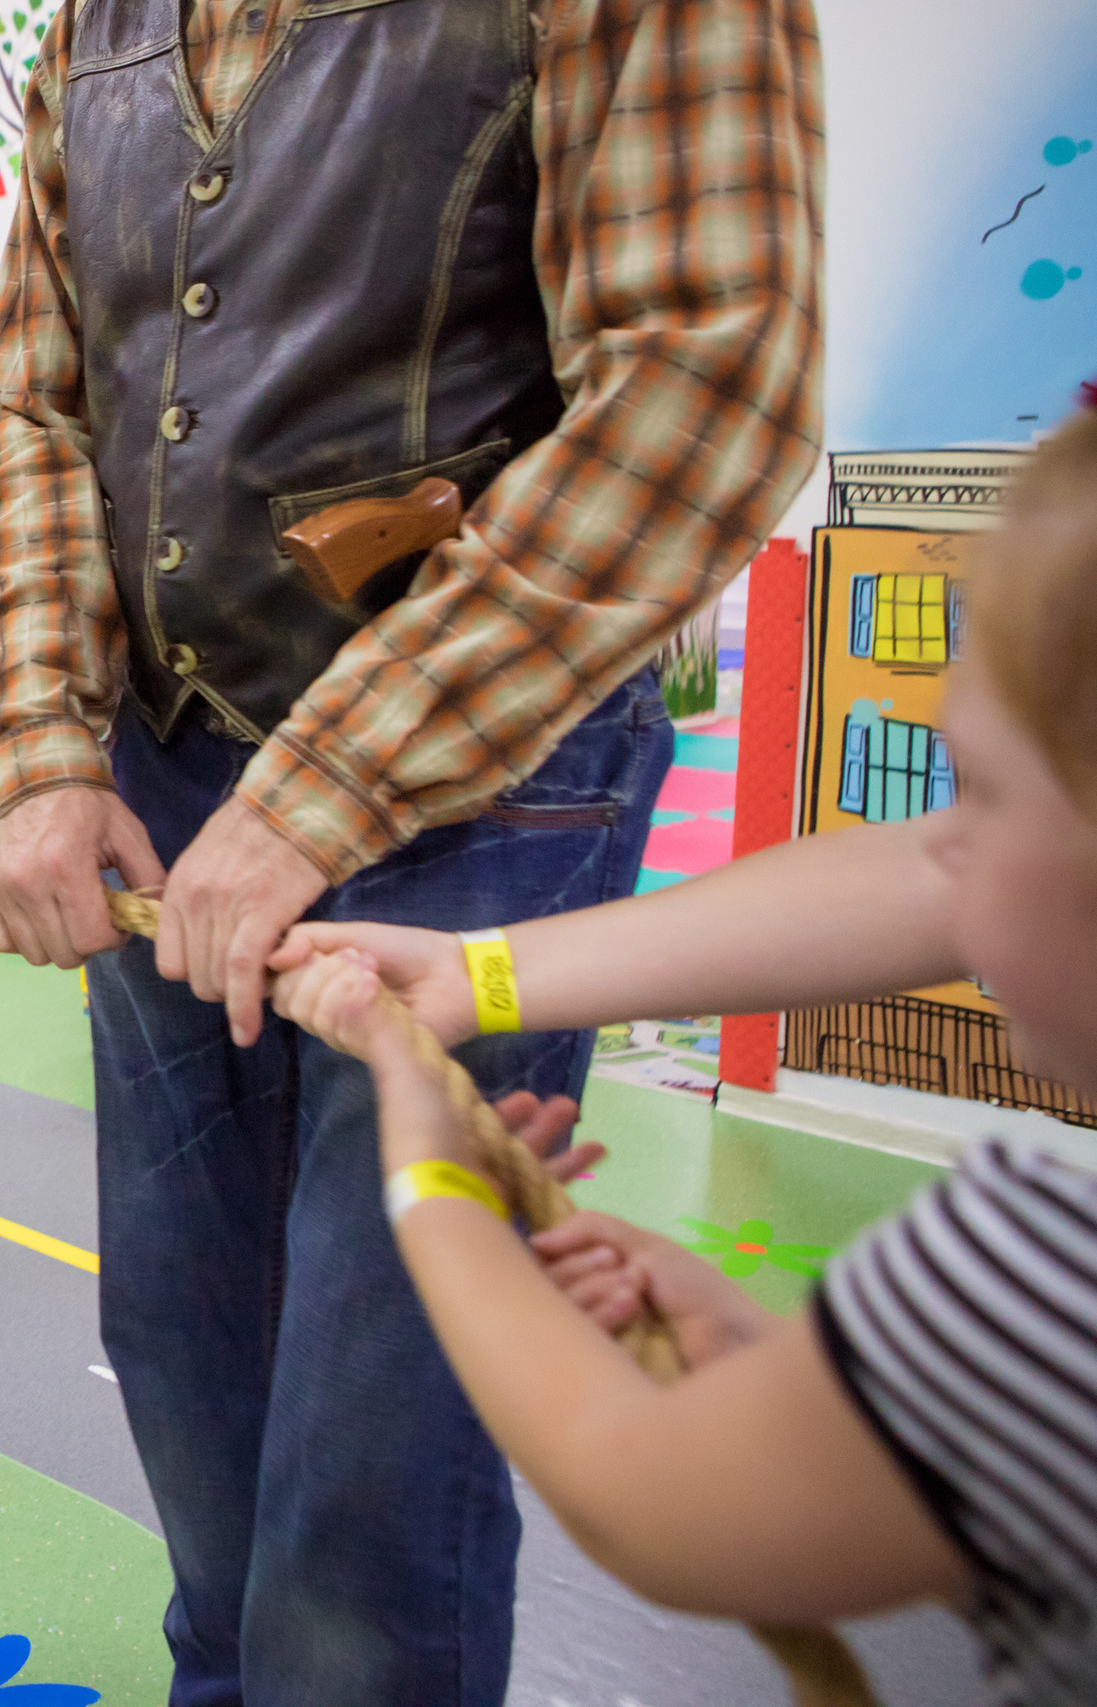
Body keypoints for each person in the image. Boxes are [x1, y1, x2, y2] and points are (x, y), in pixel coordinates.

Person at [0, 4, 825, 1700]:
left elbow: (709, 366)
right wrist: (41, 745)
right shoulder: (98, 25)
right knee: (187, 1373)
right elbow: (32, 406)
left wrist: (326, 786)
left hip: (482, 779)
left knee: (375, 1447)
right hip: (160, 764)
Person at [264, 407, 1097, 1705]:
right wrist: (798, 1372)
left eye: (977, 792)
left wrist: (433, 1176)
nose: (938, 851)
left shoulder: (1042, 1267)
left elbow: (652, 1497)